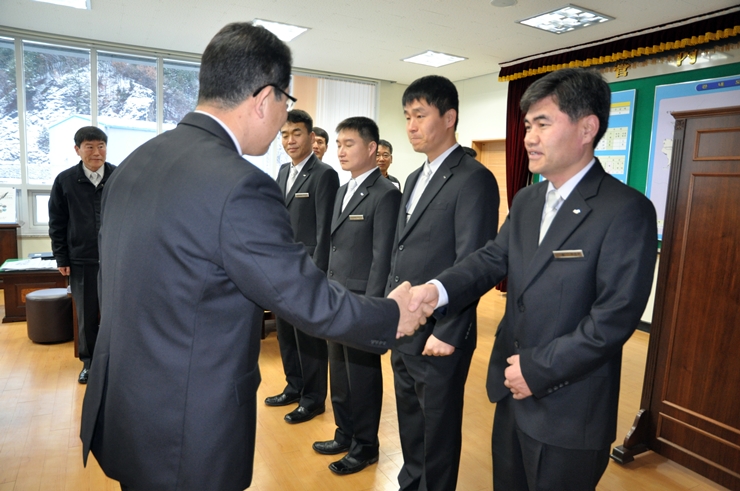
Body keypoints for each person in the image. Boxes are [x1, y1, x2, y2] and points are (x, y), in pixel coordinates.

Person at [79, 22, 429, 491]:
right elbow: (306, 299)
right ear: (265, 98)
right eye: (286, 101)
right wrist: (392, 314)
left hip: (127, 410)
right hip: (188, 428)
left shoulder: (135, 163)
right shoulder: (239, 184)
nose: (285, 118)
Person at [409, 68, 658, 491]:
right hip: (511, 390)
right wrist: (438, 290)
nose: (528, 138)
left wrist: (537, 370)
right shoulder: (527, 199)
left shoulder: (625, 210)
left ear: (587, 128)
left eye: (542, 124)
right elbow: (492, 258)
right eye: (527, 126)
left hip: (567, 407)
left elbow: (614, 318)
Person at [386, 75, 500, 491]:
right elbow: (401, 250)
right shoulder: (414, 178)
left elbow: (474, 262)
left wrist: (450, 330)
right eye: (407, 117)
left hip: (439, 330)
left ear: (449, 118)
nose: (411, 126)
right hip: (405, 326)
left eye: (420, 115)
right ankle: (410, 483)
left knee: (437, 429)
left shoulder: (473, 178)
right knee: (410, 420)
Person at [312, 117, 401, 475]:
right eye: (338, 144)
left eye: (349, 144)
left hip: (363, 301)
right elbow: (330, 245)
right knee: (339, 371)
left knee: (362, 376)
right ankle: (344, 433)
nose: (341, 150)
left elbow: (383, 257)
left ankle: (366, 446)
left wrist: (374, 308)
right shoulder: (342, 189)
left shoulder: (386, 193)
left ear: (371, 148)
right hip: (336, 296)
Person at [265, 109, 339, 424]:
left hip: (307, 271)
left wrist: (316, 274)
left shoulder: (324, 174)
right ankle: (293, 386)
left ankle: (313, 398)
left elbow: (325, 231)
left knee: (308, 338)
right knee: (286, 333)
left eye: (296, 133)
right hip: (282, 268)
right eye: (284, 135)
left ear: (310, 136)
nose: (290, 140)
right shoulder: (283, 171)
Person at [48, 126, 116, 384]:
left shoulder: (119, 176)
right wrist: (62, 257)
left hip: (115, 258)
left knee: (115, 312)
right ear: (77, 150)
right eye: (90, 147)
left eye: (101, 146)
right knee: (86, 316)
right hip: (81, 258)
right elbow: (57, 222)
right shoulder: (65, 181)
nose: (96, 152)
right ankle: (89, 363)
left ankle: (114, 362)